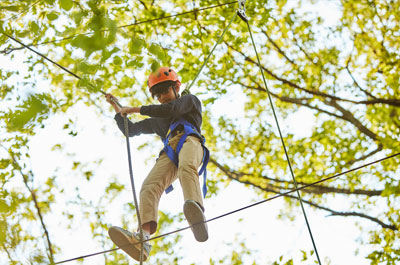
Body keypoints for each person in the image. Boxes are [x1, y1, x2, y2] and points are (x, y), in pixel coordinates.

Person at [105, 67, 209, 261]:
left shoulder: (189, 101)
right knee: (149, 186)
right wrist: (118, 109)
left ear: (176, 87)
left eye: (165, 91)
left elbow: (172, 109)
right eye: (158, 95)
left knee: (187, 167)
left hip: (190, 141)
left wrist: (135, 109)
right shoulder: (158, 121)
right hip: (170, 149)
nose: (162, 97)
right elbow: (131, 130)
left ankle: (196, 210)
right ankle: (142, 239)